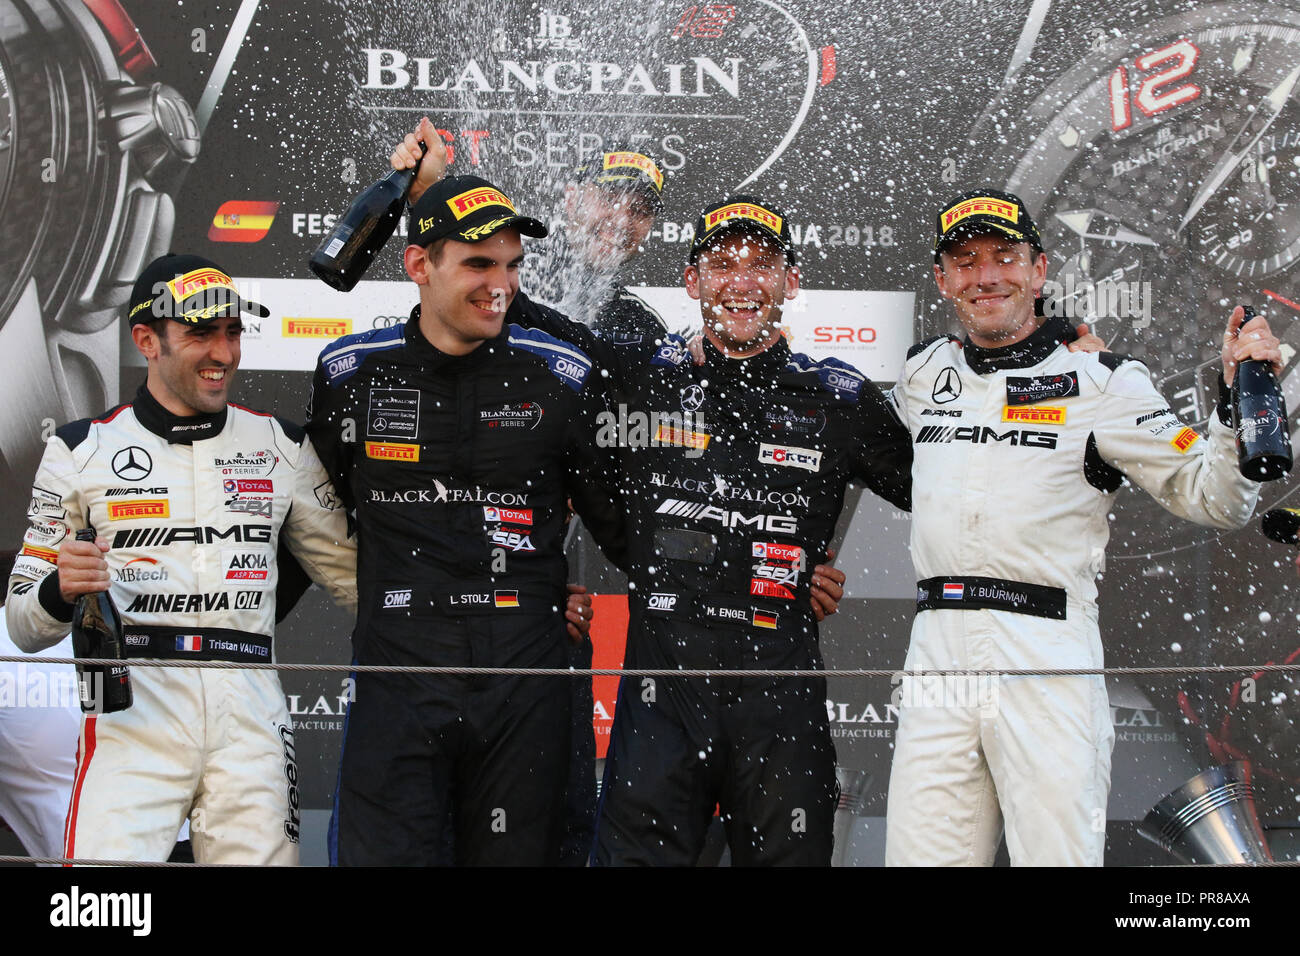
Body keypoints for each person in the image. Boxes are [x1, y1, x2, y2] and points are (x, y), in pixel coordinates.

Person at [883, 187, 1279, 866]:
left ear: (1038, 271)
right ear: (944, 280)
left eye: (1004, 257)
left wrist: (1238, 401)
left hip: (1045, 648)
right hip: (938, 652)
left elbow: (1215, 500)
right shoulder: (923, 373)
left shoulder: (1103, 382)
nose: (986, 277)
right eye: (966, 260)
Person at [308, 152, 630, 866]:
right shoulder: (350, 374)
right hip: (398, 672)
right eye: (480, 266)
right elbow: (302, 528)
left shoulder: (562, 376)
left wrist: (777, 576)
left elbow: (626, 528)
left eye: (512, 265)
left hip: (524, 677)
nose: (502, 285)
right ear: (419, 265)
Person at [3, 253, 359, 864]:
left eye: (232, 331)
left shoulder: (281, 445)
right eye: (201, 332)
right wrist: (58, 590)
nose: (224, 351)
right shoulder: (79, 450)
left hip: (250, 710)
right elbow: (20, 624)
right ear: (146, 339)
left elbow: (362, 584)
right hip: (132, 713)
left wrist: (525, 600)